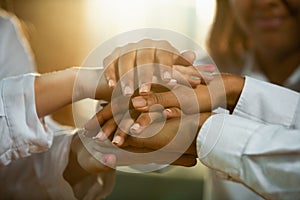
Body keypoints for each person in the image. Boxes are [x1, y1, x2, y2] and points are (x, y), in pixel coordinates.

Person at [85, 0, 300, 199]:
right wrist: (132, 85)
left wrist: (202, 130)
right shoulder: (205, 73)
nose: (264, 1)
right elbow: (122, 142)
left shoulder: (217, 83)